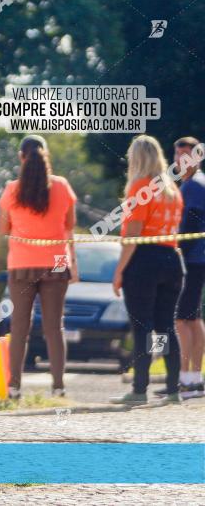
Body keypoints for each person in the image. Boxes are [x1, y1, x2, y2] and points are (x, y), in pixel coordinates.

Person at [0, 135, 78, 399]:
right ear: (46, 155)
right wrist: (73, 264)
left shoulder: (12, 189)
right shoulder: (62, 186)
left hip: (21, 263)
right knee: (55, 327)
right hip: (56, 262)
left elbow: (3, 229)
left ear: (22, 157)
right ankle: (58, 387)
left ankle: (14, 387)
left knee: (19, 327)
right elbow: (69, 227)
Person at [110, 135, 184, 405]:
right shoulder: (171, 190)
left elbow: (132, 235)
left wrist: (119, 271)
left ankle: (139, 390)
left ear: (136, 159)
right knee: (165, 327)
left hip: (144, 261)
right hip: (171, 260)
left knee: (141, 327)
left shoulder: (140, 187)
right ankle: (173, 389)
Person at [167, 137, 205, 399]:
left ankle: (186, 379)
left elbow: (190, 224)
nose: (180, 161)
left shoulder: (193, 186)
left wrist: (175, 248)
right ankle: (193, 377)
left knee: (182, 319)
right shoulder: (194, 184)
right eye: (177, 155)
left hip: (192, 259)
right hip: (197, 259)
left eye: (186, 155)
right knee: (192, 318)